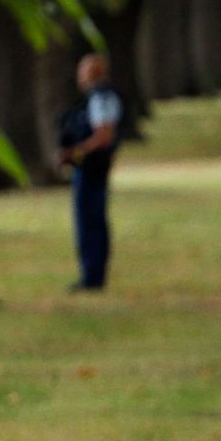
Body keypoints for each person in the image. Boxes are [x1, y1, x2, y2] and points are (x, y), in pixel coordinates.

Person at [57, 53, 123, 292]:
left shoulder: (101, 98)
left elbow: (104, 135)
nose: (80, 76)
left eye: (84, 71)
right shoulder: (96, 98)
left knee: (90, 221)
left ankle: (92, 277)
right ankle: (91, 273)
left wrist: (76, 152)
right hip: (91, 167)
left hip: (92, 168)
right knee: (91, 220)